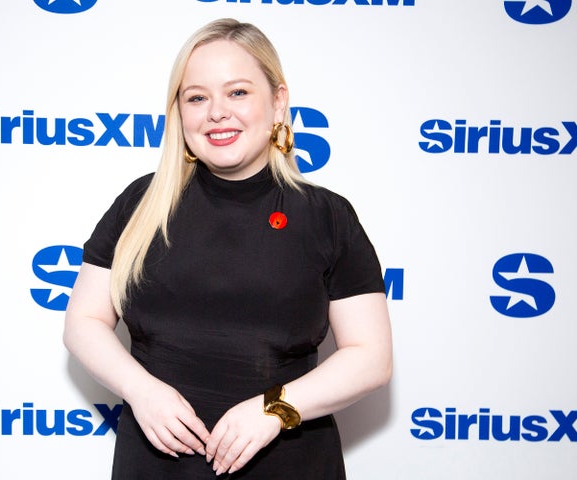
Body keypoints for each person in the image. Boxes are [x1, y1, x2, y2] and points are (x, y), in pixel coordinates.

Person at [64, 18, 392, 479]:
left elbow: (370, 356)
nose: (217, 112)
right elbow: (84, 322)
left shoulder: (327, 217)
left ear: (277, 103)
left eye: (237, 92)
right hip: (156, 466)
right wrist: (140, 390)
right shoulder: (140, 205)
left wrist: (275, 409)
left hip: (290, 465)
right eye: (196, 97)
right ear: (179, 112)